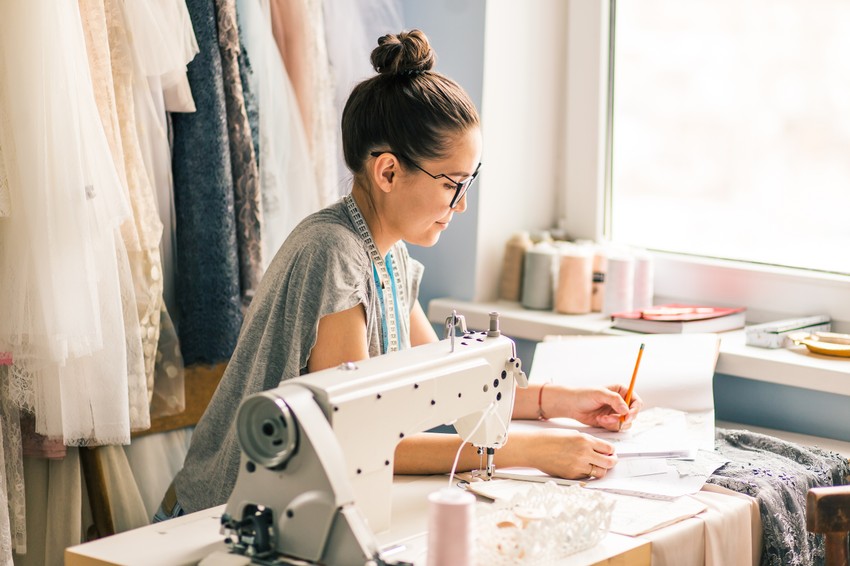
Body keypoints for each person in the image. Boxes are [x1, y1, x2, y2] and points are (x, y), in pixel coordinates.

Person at [155, 29, 642, 521]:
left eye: (468, 183)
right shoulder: (333, 254)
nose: (462, 203)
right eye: (453, 184)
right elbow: (356, 439)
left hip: (301, 508)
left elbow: (451, 385)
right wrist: (529, 452)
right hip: (224, 521)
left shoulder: (390, 257)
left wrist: (561, 402)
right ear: (387, 172)